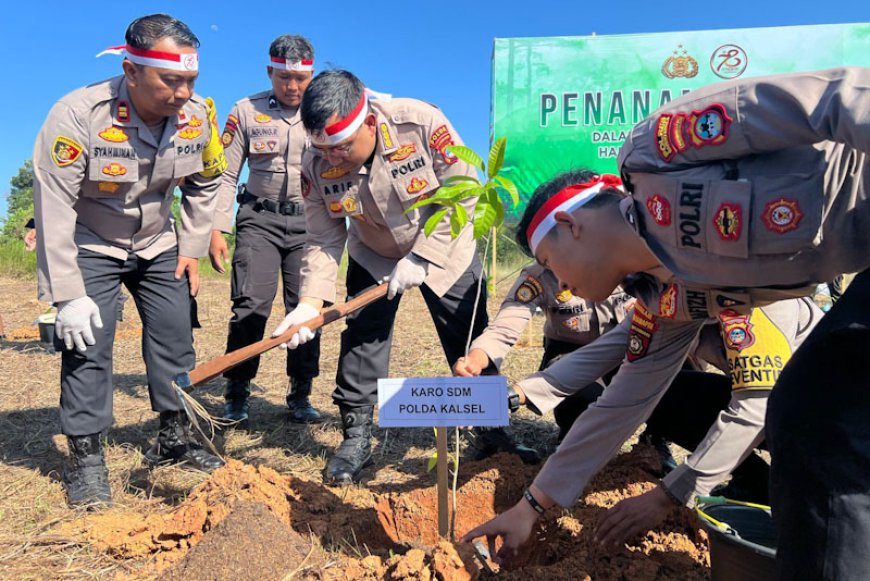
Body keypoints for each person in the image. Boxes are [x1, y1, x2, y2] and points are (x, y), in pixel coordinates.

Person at [463, 67, 870, 579]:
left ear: (571, 226)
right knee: (814, 418)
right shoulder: (665, 297)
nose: (553, 278)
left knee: (814, 416)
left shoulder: (659, 152)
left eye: (550, 259)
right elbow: (622, 402)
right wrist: (531, 507)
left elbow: (829, 97)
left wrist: (672, 494)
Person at [270, 70, 503, 485]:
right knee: (363, 339)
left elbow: (465, 194)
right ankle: (356, 434)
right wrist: (309, 303)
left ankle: (491, 433)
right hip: (374, 254)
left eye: (341, 147)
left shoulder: (420, 123)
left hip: (445, 245)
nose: (332, 159)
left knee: (469, 337)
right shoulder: (315, 161)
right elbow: (323, 238)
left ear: (370, 123)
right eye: (323, 149)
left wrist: (422, 256)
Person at [33, 14, 226, 509]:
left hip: (159, 239)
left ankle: (175, 440)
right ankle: (87, 458)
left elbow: (207, 182)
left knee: (174, 335)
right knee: (87, 344)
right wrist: (67, 294)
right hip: (91, 238)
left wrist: (191, 246)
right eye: (171, 80)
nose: (183, 93)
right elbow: (53, 205)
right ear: (132, 70)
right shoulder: (78, 115)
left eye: (191, 81)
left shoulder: (199, 116)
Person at [453, 264, 677, 469]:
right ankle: (573, 435)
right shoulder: (539, 276)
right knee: (583, 397)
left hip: (633, 347)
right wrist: (476, 357)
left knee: (679, 372)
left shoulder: (630, 262)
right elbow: (504, 328)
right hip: (572, 353)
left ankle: (657, 438)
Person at [209, 35, 322, 425]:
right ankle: (237, 392)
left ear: (311, 74)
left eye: (301, 79)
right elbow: (226, 173)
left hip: (311, 222)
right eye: (283, 77)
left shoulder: (323, 111)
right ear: (270, 71)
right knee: (250, 305)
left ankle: (300, 393)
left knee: (307, 308)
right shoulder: (245, 111)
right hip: (259, 220)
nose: (292, 87)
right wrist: (217, 228)